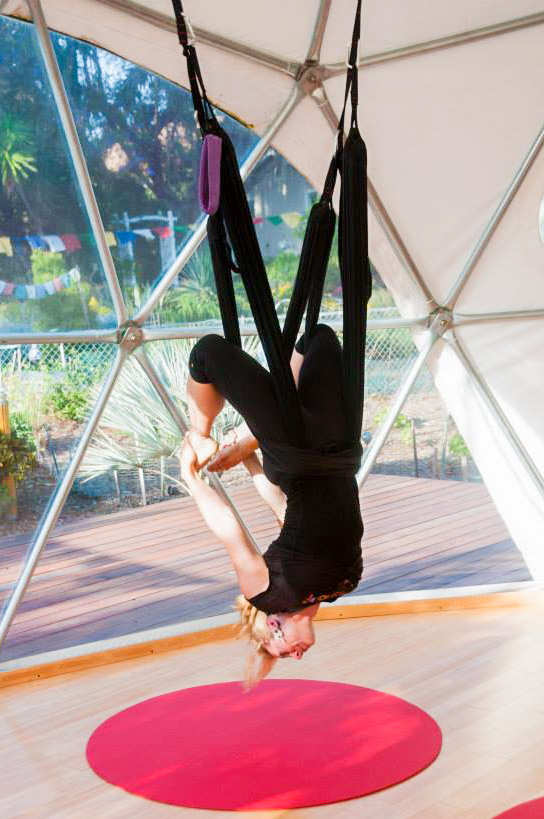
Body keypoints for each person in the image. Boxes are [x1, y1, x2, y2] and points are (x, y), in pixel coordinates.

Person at [179, 323, 364, 687]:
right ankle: (252, 438)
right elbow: (284, 511)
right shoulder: (342, 586)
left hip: (294, 452)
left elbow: (231, 531)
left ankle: (198, 436)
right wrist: (249, 460)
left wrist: (192, 479)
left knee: (208, 353)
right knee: (318, 337)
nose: (296, 656)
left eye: (280, 651)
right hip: (338, 449)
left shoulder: (267, 593)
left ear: (271, 627)